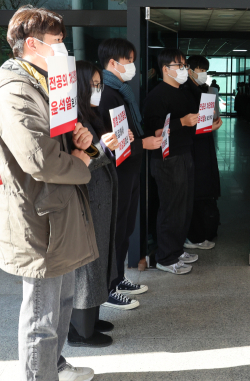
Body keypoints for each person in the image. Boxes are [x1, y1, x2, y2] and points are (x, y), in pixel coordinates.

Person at [0, 6, 98, 381]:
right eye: (57, 42)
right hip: (39, 218)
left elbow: (63, 141)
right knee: (42, 314)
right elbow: (39, 159)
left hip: (58, 212)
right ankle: (39, 375)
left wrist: (82, 140)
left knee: (62, 303)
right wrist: (81, 161)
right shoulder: (15, 91)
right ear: (32, 44)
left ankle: (55, 364)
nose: (64, 49)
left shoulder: (45, 82)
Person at [68, 61, 124, 348]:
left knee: (100, 259)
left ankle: (90, 318)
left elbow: (91, 152)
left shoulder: (87, 115)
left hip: (100, 199)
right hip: (88, 201)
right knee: (88, 267)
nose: (98, 90)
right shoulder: (72, 120)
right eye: (94, 84)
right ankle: (80, 329)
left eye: (100, 84)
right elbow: (85, 159)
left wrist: (104, 146)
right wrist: (104, 147)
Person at [97, 38, 152, 310]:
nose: (132, 66)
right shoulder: (106, 93)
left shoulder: (122, 91)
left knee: (125, 227)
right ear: (112, 63)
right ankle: (108, 287)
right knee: (116, 229)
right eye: (128, 60)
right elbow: (110, 140)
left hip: (129, 167)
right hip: (117, 171)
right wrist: (141, 142)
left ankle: (118, 278)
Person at [143, 48, 201, 275]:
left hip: (184, 153)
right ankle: (165, 258)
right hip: (167, 159)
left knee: (184, 206)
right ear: (166, 69)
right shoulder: (156, 95)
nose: (185, 70)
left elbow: (190, 121)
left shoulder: (184, 92)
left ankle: (177, 249)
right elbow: (156, 131)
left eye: (185, 65)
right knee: (171, 207)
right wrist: (182, 123)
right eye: (180, 66)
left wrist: (204, 122)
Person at [183, 55, 223, 250]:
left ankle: (200, 234)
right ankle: (193, 236)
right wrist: (209, 128)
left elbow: (202, 123)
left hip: (202, 148)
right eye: (200, 69)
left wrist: (211, 123)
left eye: (204, 69)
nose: (203, 73)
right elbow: (189, 127)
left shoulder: (201, 90)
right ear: (189, 70)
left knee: (202, 192)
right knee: (195, 193)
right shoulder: (185, 92)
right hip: (193, 151)